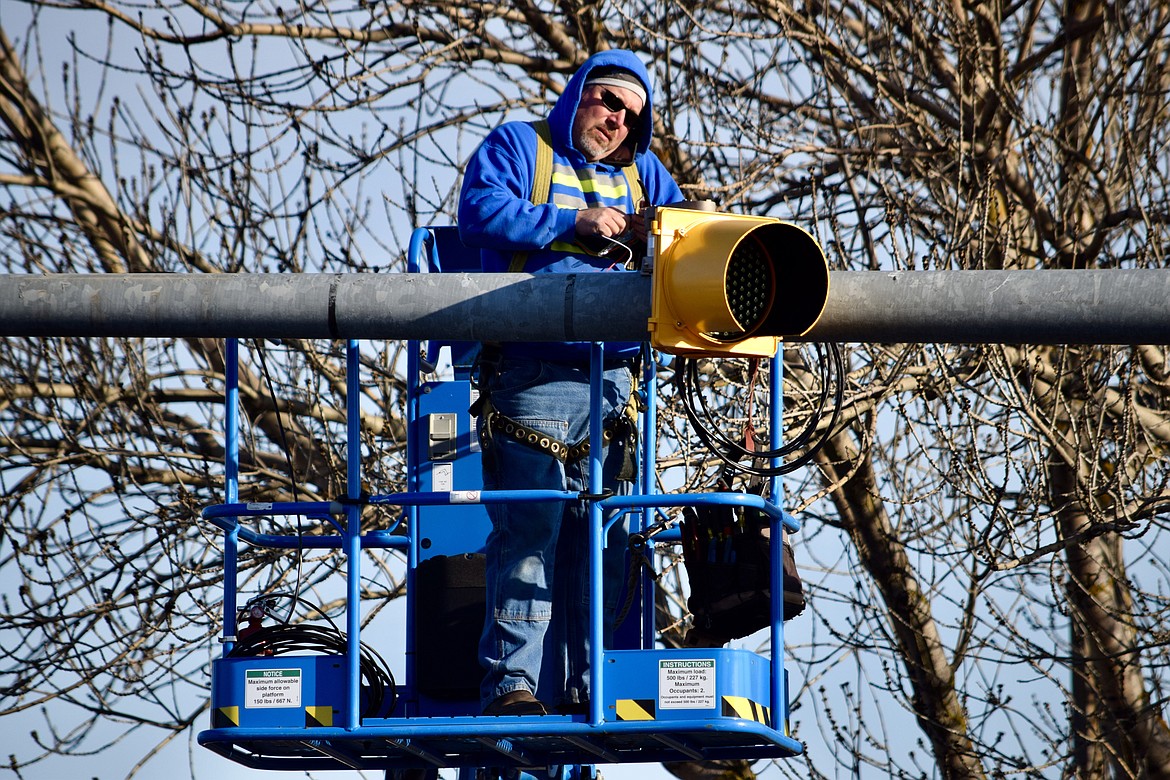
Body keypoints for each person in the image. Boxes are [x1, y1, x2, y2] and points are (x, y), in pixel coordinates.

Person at [457, 50, 684, 716]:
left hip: (616, 384)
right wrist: (569, 223)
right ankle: (513, 688)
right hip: (533, 377)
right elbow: (480, 211)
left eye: (629, 116)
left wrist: (650, 241)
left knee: (608, 539)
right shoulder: (521, 148)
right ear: (579, 95)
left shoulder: (645, 176)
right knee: (531, 536)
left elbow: (682, 245)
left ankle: (595, 688)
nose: (615, 120)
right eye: (607, 100)